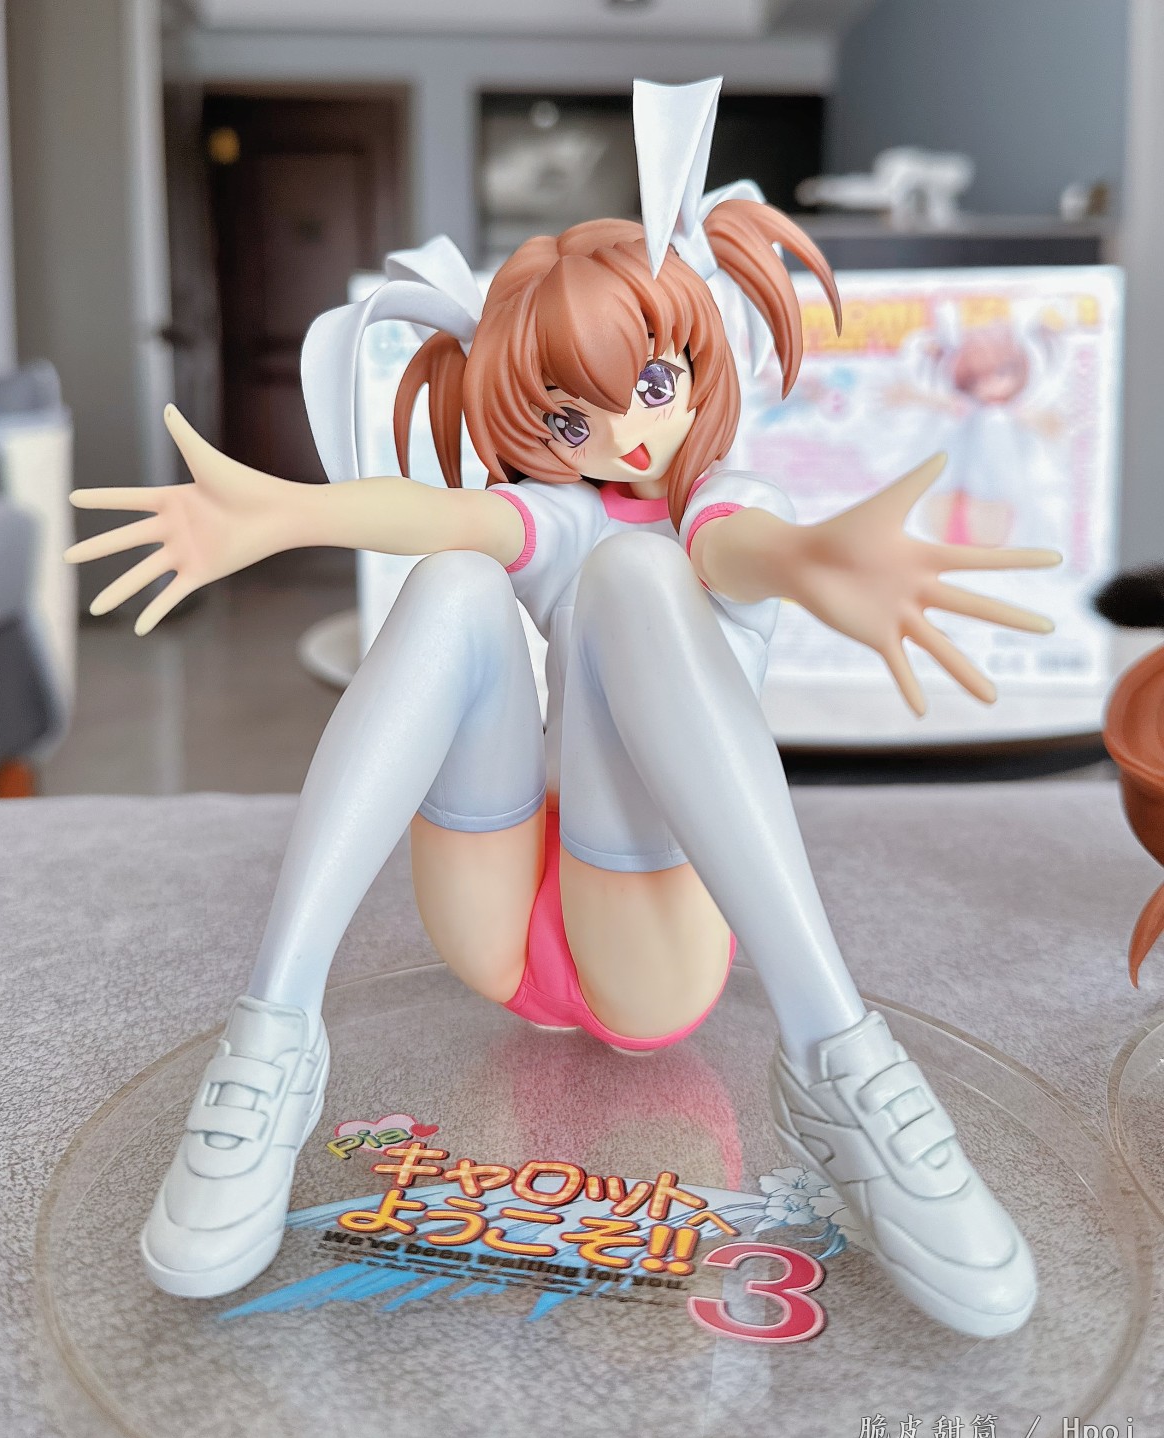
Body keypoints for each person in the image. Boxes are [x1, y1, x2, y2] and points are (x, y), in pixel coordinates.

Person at [67, 79, 1056, 1337]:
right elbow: (445, 515)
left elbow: (738, 547)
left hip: (647, 937)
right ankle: (272, 1040)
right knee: (456, 580)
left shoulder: (721, 501)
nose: (627, 435)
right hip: (499, 916)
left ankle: (837, 1060)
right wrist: (290, 514)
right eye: (570, 416)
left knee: (638, 574)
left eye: (651, 380)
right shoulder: (560, 511)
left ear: (695, 364)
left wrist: (813, 561)